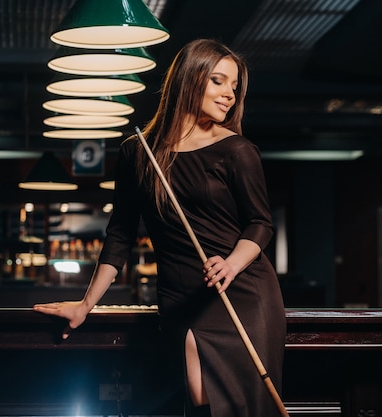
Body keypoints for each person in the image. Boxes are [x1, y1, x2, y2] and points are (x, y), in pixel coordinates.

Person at [33, 38, 286, 417]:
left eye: (234, 87)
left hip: (243, 292)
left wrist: (231, 263)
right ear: (189, 78)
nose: (229, 94)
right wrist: (86, 304)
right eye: (218, 81)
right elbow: (119, 234)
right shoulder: (138, 152)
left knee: (240, 408)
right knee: (201, 403)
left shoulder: (237, 150)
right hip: (182, 296)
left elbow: (261, 224)